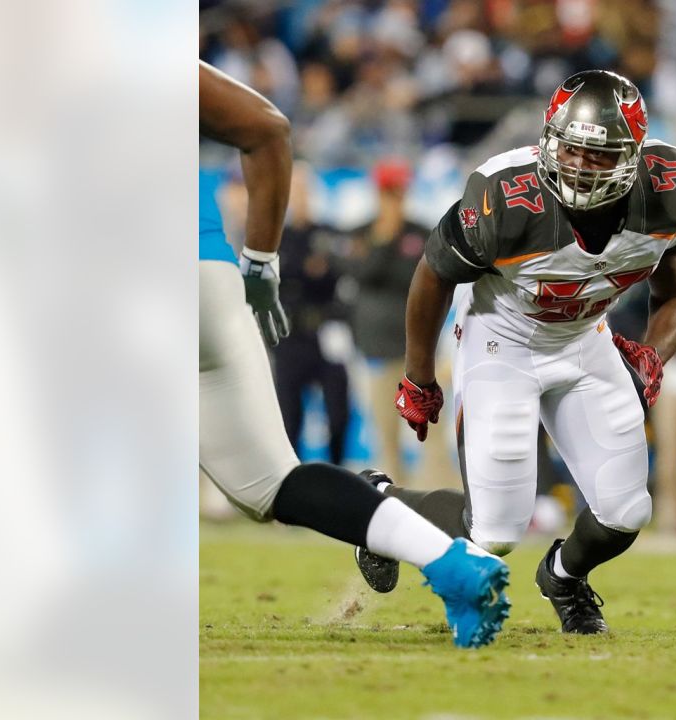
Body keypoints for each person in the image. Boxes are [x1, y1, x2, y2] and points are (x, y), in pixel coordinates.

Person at [352, 71, 676, 635]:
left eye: (599, 154)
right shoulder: (505, 196)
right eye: (572, 149)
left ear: (632, 157)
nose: (581, 165)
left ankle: (564, 577)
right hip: (502, 340)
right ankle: (380, 504)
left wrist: (652, 354)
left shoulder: (671, 188)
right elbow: (433, 275)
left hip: (587, 339)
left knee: (626, 510)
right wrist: (419, 376)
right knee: (493, 533)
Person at [197, 60, 509, 648]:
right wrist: (260, 262)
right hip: (210, 277)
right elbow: (266, 127)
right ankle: (451, 564)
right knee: (274, 483)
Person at [347, 159, 457, 489]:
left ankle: (440, 499)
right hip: (379, 350)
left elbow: (423, 280)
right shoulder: (362, 233)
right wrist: (385, 236)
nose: (395, 198)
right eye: (388, 192)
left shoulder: (423, 232)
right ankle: (393, 502)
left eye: (399, 191)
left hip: (421, 351)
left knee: (432, 434)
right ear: (378, 193)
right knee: (387, 435)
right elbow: (364, 272)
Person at [271, 163, 351, 464]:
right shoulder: (278, 237)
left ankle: (339, 479)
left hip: (327, 333)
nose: (300, 197)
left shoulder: (329, 233)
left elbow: (344, 272)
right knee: (289, 418)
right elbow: (275, 279)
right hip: (290, 337)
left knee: (339, 414)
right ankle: (294, 485)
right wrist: (307, 270)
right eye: (295, 191)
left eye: (305, 190)